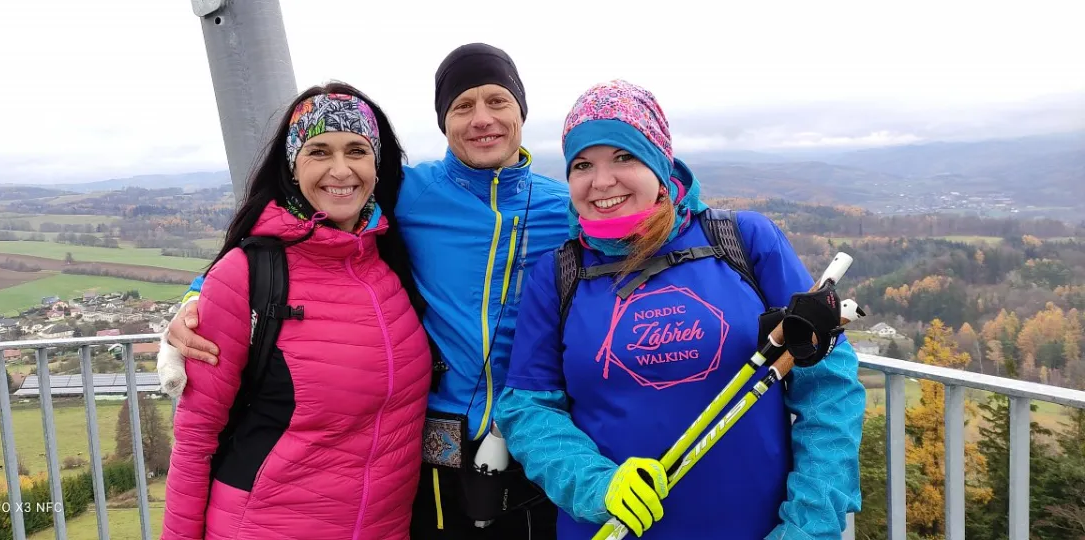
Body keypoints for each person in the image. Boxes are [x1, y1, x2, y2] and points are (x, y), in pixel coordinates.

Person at [158, 43, 567, 538]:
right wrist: (195, 299)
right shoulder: (408, 191)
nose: (482, 119)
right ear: (444, 121)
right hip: (430, 457)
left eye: (497, 101)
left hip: (535, 445)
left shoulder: (567, 208)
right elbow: (280, 242)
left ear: (521, 110)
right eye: (463, 105)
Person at [493, 79, 865, 540]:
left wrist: (808, 527)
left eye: (624, 156)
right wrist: (597, 485)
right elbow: (528, 408)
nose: (601, 181)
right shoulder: (558, 274)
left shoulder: (745, 242)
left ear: (659, 160)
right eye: (583, 164)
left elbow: (827, 387)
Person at [160, 83, 433, 540]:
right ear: (292, 164)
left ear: (376, 164)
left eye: (357, 150)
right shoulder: (247, 274)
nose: (340, 170)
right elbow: (194, 440)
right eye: (319, 152)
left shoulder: (390, 266)